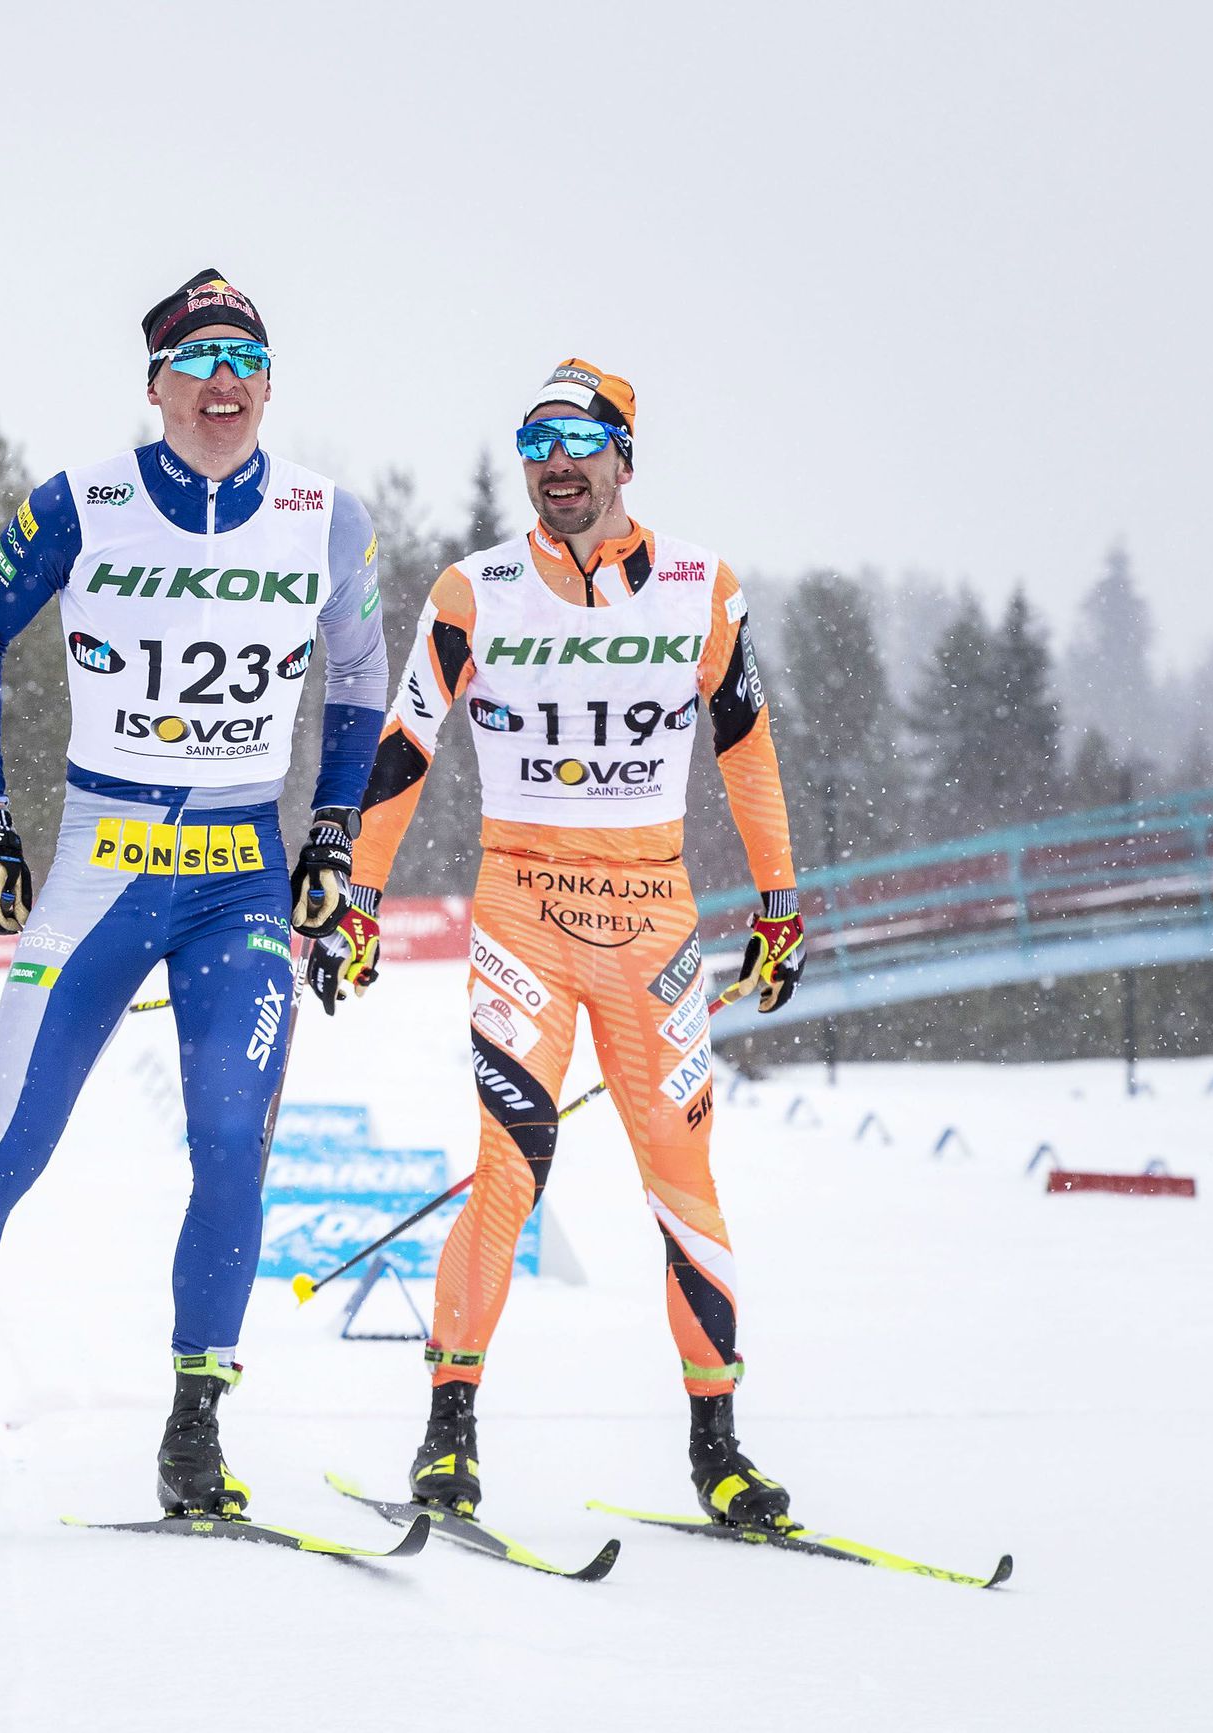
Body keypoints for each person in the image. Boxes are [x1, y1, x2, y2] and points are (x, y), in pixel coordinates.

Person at [0, 271, 389, 1555]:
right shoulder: (81, 504)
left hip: (239, 873)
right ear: (155, 384)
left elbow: (359, 686)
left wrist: (334, 836)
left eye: (246, 359)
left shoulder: (325, 519)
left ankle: (196, 1426)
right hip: (98, 869)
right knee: (6, 1152)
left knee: (231, 1139)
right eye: (198, 361)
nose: (223, 383)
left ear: (269, 384)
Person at [310, 359, 805, 1529]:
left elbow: (745, 749)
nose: (554, 463)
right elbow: (404, 743)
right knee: (507, 1168)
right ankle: (446, 1435)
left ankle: (717, 1448)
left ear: (622, 458)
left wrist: (779, 903)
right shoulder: (473, 590)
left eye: (578, 440)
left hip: (654, 926)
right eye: (534, 440)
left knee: (679, 1178)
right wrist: (361, 894)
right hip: (523, 910)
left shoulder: (698, 585)